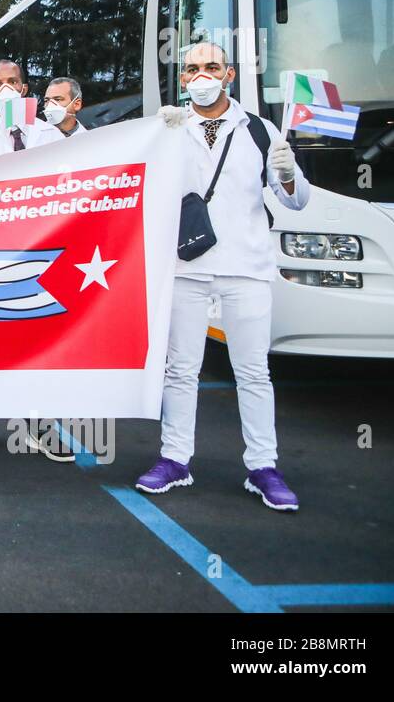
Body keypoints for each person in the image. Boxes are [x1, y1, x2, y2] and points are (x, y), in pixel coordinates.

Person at [137, 42, 309, 512]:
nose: (200, 76)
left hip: (246, 266)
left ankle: (263, 467)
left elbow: (294, 201)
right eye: (191, 69)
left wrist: (289, 173)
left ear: (229, 74)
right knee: (181, 369)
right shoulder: (169, 129)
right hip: (186, 266)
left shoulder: (259, 129)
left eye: (210, 67)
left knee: (253, 371)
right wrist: (155, 137)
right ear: (183, 79)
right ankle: (175, 459)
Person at [0, 60, 74, 462]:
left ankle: (38, 424)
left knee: (37, 340)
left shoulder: (49, 134)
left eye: (11, 82)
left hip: (42, 251)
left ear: (24, 89)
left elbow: (72, 182)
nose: (4, 89)